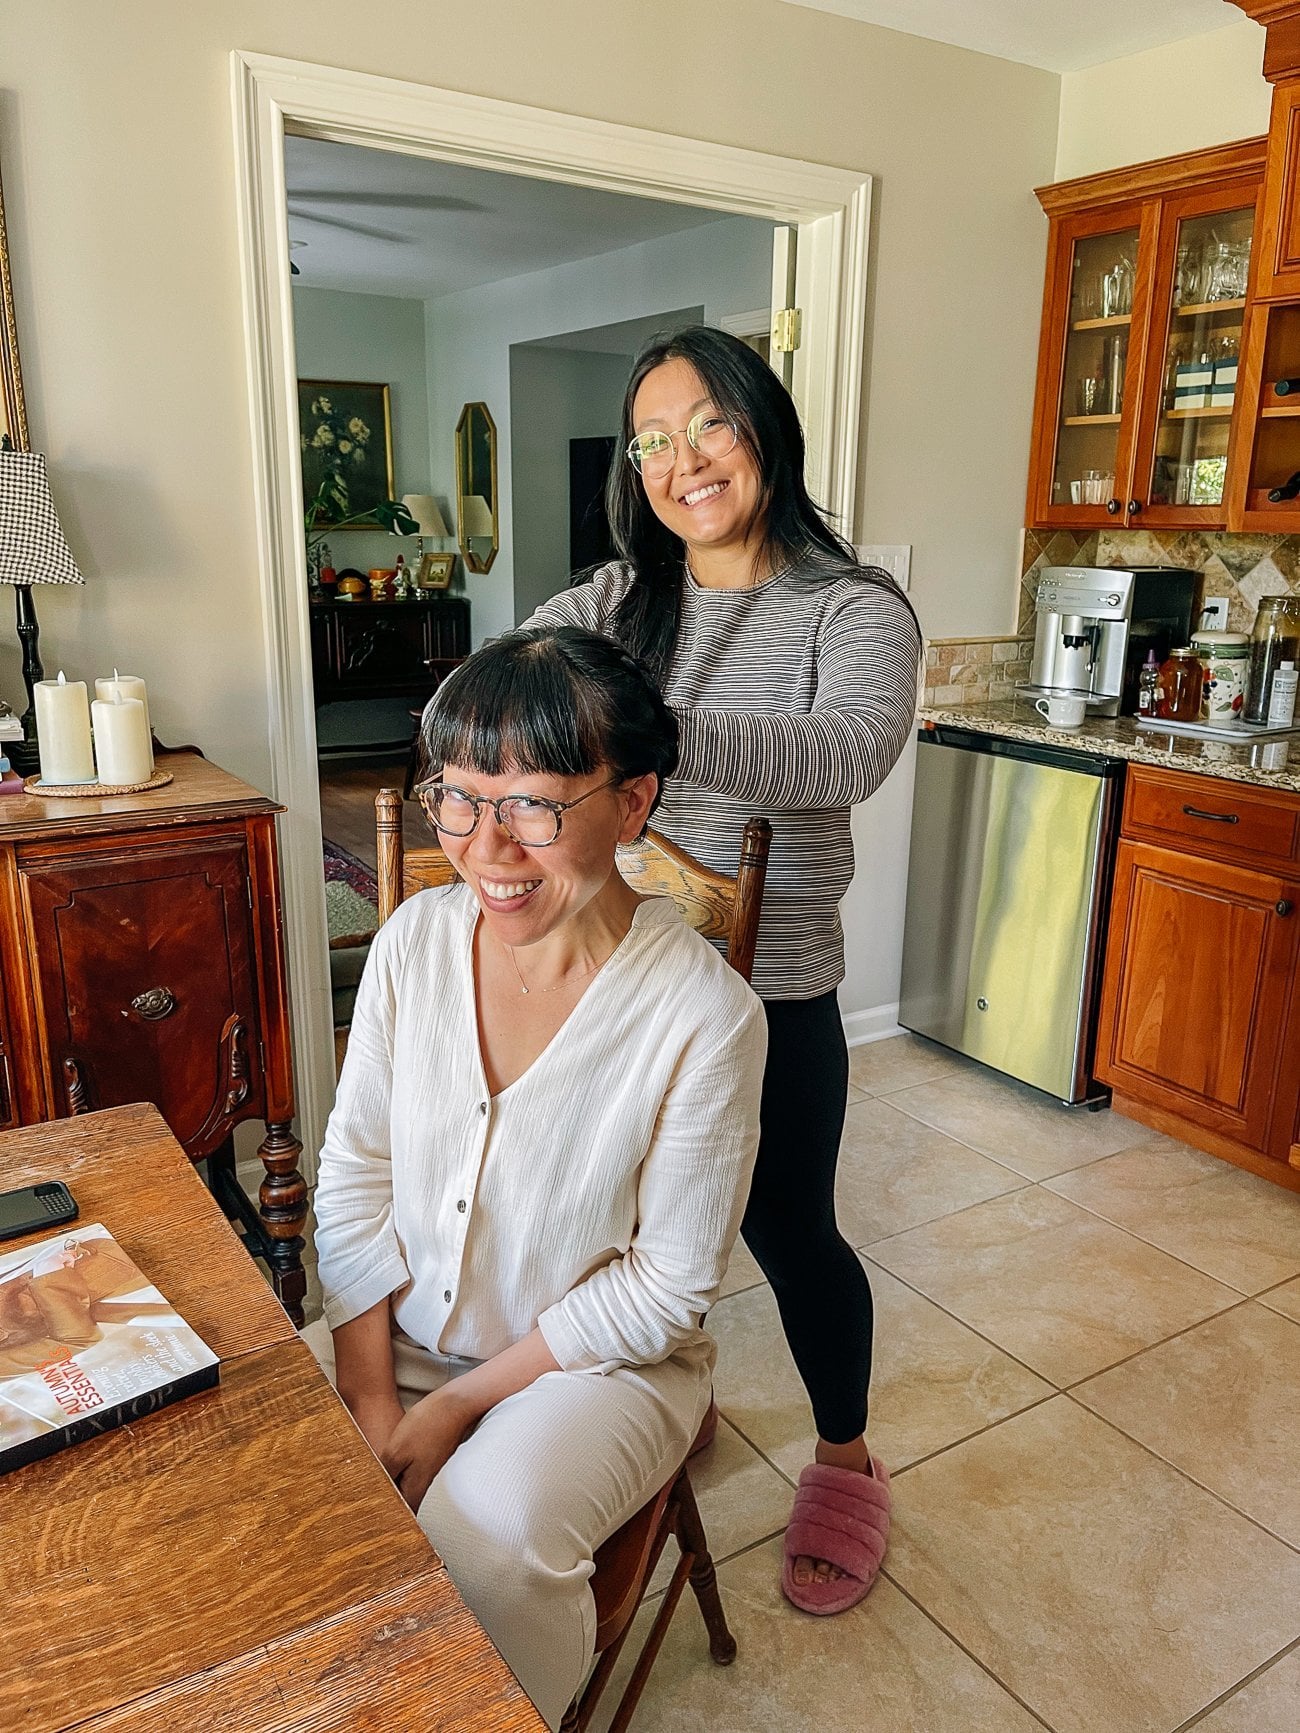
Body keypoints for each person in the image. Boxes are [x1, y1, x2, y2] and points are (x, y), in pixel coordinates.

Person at [525, 325, 921, 1616]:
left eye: (706, 424)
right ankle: (665, 1399)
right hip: (618, 992)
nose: (678, 460)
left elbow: (844, 753)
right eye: (650, 439)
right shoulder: (611, 601)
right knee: (627, 1230)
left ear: (764, 428)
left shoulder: (851, 607)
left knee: (789, 1233)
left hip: (773, 996)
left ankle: (849, 1460)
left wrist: (639, 723)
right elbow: (513, 682)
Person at [305, 624, 767, 1729]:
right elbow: (354, 1165)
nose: (489, 848)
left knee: (488, 1542)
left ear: (634, 801)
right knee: (277, 1499)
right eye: (459, 798)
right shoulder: (414, 939)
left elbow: (663, 1289)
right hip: (389, 1334)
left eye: (537, 806)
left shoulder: (706, 1016)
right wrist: (374, 1393)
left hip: (595, 1368)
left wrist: (456, 1405)